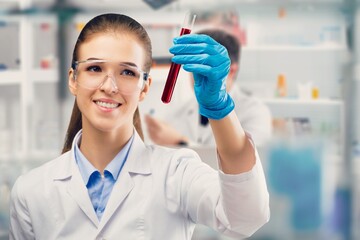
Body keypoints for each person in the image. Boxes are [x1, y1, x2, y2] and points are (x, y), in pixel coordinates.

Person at [9, 13, 269, 239]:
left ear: (144, 87)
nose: (109, 87)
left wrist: (220, 107)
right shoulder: (31, 191)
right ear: (73, 79)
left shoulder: (176, 174)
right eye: (95, 68)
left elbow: (245, 218)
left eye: (127, 72)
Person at [145, 29, 272, 147]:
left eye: (205, 68)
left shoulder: (255, 113)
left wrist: (180, 142)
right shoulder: (178, 113)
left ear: (231, 71)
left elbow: (245, 164)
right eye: (194, 67)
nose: (197, 76)